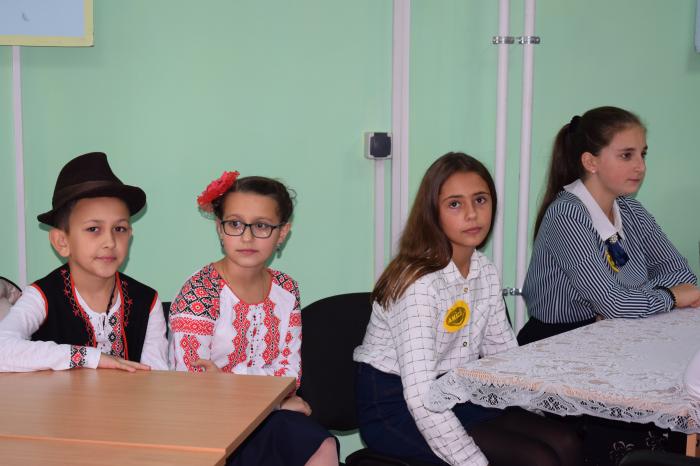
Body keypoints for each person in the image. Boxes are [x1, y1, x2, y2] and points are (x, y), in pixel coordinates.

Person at [353, 152, 582, 466]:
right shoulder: (418, 285)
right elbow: (421, 397)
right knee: (536, 458)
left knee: (566, 442)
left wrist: (537, 408)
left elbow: (504, 356)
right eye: (455, 204)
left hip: (456, 389)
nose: (472, 214)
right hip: (396, 405)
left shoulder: (484, 270)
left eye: (480, 200)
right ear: (432, 212)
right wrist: (472, 461)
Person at [169, 171, 338, 466]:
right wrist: (275, 403)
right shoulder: (200, 291)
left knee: (319, 442)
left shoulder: (286, 289)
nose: (247, 237)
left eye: (261, 226)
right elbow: (194, 386)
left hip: (264, 418)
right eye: (235, 224)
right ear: (220, 229)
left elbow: (289, 374)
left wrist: (224, 380)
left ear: (282, 232)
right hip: (205, 426)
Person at [519, 106, 700, 345]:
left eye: (642, 154)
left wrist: (628, 301)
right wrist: (671, 297)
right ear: (590, 162)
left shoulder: (631, 209)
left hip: (615, 331)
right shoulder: (566, 215)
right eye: (626, 155)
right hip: (557, 342)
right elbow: (614, 303)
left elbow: (682, 275)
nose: (641, 166)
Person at [0, 152, 168, 372]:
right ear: (62, 241)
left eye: (119, 229)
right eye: (93, 229)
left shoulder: (147, 302)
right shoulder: (42, 296)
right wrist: (89, 357)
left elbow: (156, 376)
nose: (110, 242)